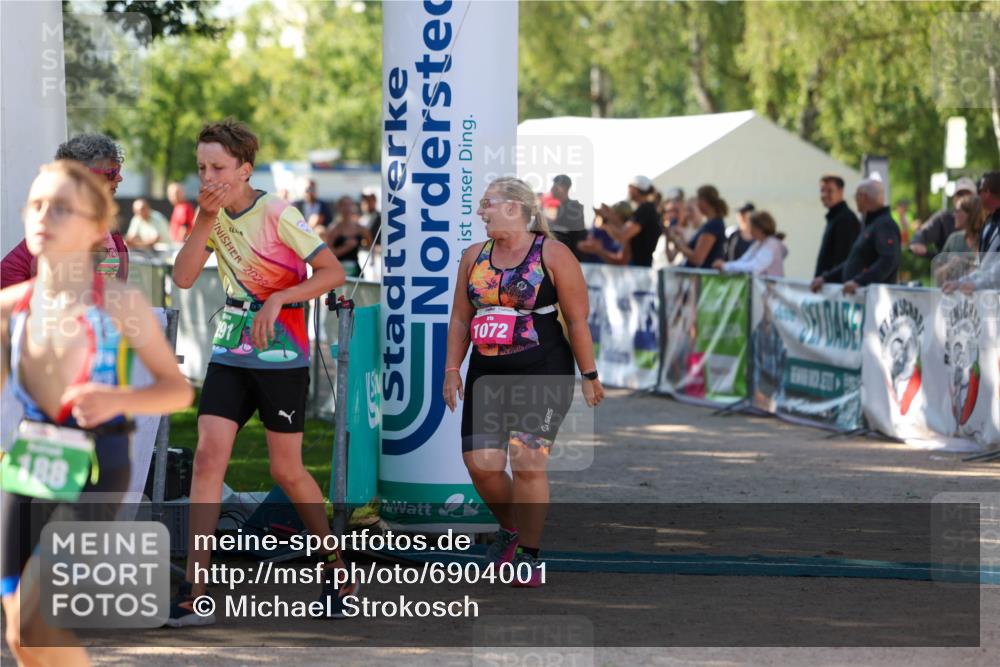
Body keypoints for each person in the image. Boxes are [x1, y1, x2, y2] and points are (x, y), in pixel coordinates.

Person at [1, 161, 192, 667]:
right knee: (20, 632)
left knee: (35, 615)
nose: (44, 217)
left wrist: (115, 400)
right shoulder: (12, 305)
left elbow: (177, 391)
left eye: (62, 208)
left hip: (97, 465)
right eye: (37, 205)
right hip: (31, 463)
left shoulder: (118, 304)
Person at [167, 119, 350, 626]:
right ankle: (195, 587)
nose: (208, 177)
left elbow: (332, 272)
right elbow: (183, 277)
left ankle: (336, 567)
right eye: (202, 167)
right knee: (208, 460)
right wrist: (204, 221)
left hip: (281, 352)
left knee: (286, 471)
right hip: (230, 347)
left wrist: (280, 298)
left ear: (245, 169)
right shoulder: (211, 216)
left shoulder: (277, 212)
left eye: (218, 167)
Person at [443, 177, 604, 588]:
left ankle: (529, 556)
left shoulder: (552, 253)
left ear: (514, 207)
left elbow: (577, 320)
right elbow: (460, 318)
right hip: (486, 372)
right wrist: (451, 369)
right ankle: (512, 529)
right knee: (481, 465)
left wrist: (589, 375)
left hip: (541, 369)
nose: (480, 211)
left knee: (528, 461)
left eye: (487, 203)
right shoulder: (473, 257)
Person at [2, 134, 129, 289]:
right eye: (112, 171)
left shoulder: (109, 230)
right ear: (83, 175)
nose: (119, 177)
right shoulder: (46, 236)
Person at [810, 178, 900, 295]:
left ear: (863, 197)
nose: (855, 199)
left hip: (873, 299)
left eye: (856, 196)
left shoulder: (884, 225)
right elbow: (853, 261)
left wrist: (859, 281)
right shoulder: (871, 225)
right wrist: (826, 278)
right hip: (861, 298)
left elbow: (888, 260)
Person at [943, 172, 1000, 293]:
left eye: (980, 191)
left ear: (988, 193)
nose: (978, 196)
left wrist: (976, 284)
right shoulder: (991, 224)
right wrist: (960, 282)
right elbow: (984, 268)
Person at [590, 176, 662, 267]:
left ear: (635, 189)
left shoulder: (645, 210)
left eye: (630, 186)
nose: (628, 190)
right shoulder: (646, 209)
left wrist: (605, 220)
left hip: (639, 269)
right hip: (640, 268)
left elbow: (622, 235)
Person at [910, 177, 977, 259]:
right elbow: (923, 233)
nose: (963, 198)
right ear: (953, 198)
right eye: (960, 194)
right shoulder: (944, 219)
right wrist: (917, 242)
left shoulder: (985, 223)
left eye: (968, 195)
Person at [668, 185, 728, 269]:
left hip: (704, 275)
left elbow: (698, 259)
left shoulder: (713, 225)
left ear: (704, 202)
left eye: (699, 200)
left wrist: (677, 243)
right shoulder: (710, 224)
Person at [814, 174, 862, 278]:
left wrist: (826, 278)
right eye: (822, 191)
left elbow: (845, 259)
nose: (824, 195)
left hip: (835, 285)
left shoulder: (845, 219)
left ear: (841, 192)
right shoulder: (836, 217)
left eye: (829, 191)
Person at [713, 211, 787, 277]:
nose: (750, 229)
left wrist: (725, 266)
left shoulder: (772, 245)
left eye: (751, 226)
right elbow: (743, 260)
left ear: (759, 228)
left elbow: (754, 267)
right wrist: (725, 265)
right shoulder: (758, 243)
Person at [934, 194, 984, 285]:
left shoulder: (986, 240)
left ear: (971, 214)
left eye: (957, 211)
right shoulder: (953, 239)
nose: (954, 215)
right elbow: (936, 276)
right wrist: (949, 267)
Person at [325, 196, 372, 278]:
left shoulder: (360, 228)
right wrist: (345, 248)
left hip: (355, 270)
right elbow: (328, 254)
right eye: (344, 205)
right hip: (338, 271)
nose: (347, 208)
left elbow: (369, 245)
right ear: (339, 208)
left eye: (350, 205)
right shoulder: (334, 229)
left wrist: (363, 245)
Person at [547, 175, 587, 261]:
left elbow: (577, 237)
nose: (551, 189)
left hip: (569, 258)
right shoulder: (556, 207)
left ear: (563, 188)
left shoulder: (574, 207)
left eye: (554, 186)